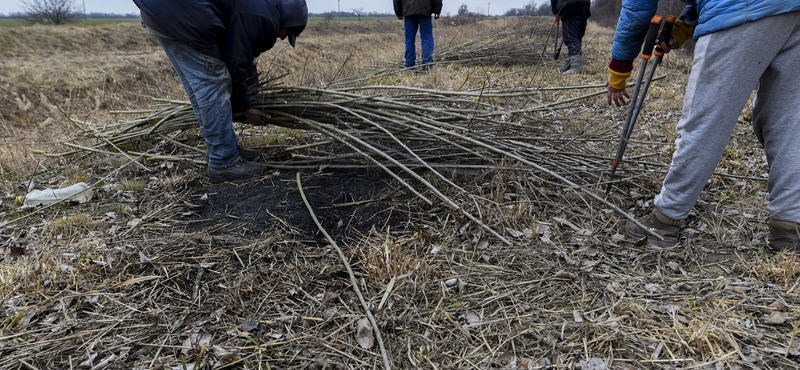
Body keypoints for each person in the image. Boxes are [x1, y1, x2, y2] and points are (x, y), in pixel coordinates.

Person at [606, 0, 800, 254]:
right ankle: (789, 227)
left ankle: (664, 222)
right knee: (788, 122)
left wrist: (620, 65)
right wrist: (689, 22)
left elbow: (637, 6)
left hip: (741, 9)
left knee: (705, 121)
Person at [133, 0, 308, 181]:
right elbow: (236, 60)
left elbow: (243, 53)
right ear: (288, 21)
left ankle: (223, 147)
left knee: (201, 88)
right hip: (183, 17)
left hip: (163, 12)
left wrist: (252, 90)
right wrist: (246, 107)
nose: (283, 38)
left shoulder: (263, 7)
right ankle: (223, 160)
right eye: (288, 33)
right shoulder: (264, 19)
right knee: (213, 82)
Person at [394, 0, 442, 72]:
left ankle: (409, 66)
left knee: (409, 39)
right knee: (427, 38)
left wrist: (398, 12)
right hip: (425, 9)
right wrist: (437, 11)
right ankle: (427, 65)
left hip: (408, 10)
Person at [551, 0, 591, 74]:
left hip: (569, 6)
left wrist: (555, 10)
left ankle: (576, 67)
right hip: (584, 6)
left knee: (571, 38)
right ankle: (568, 66)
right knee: (577, 37)